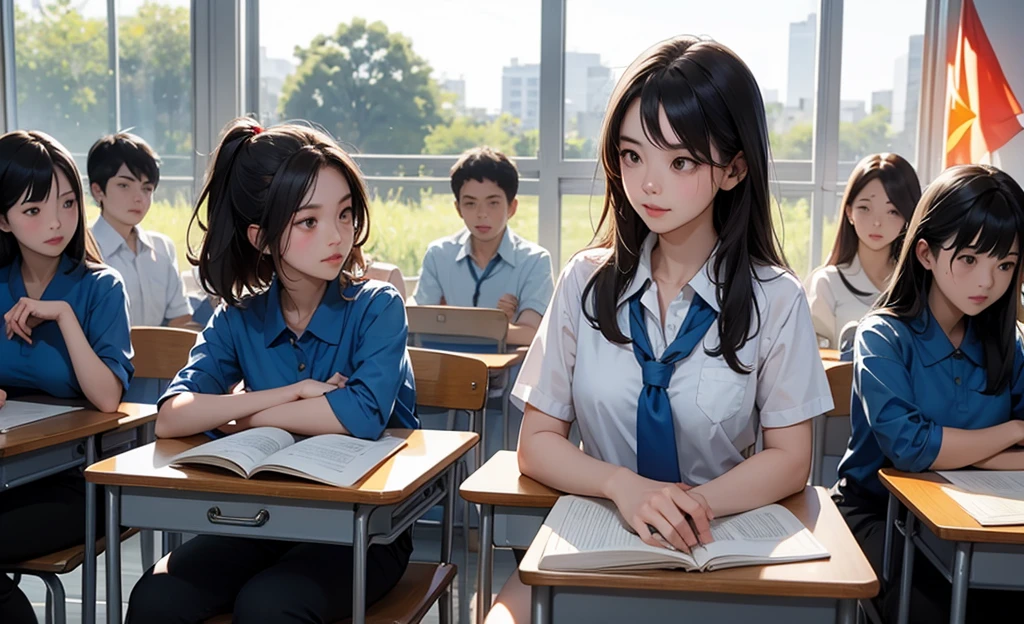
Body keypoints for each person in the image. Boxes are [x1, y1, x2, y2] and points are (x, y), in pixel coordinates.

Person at [486, 36, 833, 622]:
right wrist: (625, 487)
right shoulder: (586, 282)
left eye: (679, 162)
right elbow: (537, 444)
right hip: (598, 529)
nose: (648, 183)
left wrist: (688, 505)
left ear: (733, 169)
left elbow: (790, 458)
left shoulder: (776, 298)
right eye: (631, 156)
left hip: (720, 541)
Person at [124, 119, 418, 624]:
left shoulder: (378, 305)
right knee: (155, 596)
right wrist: (299, 393)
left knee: (269, 605)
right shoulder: (239, 316)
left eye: (345, 214)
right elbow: (173, 415)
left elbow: (362, 415)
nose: (336, 235)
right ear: (260, 237)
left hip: (366, 530)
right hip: (263, 520)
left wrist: (252, 417)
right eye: (309, 221)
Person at [835, 164, 1024, 623]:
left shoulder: (1009, 341)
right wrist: (1011, 430)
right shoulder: (881, 335)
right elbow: (910, 447)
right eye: (969, 259)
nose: (987, 282)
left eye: (1005, 264)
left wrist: (958, 450)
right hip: (879, 515)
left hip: (983, 516)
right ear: (925, 253)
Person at [0, 130, 133, 624]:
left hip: (78, 480)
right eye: (33, 211)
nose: (57, 222)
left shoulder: (100, 286)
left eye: (68, 203)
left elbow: (106, 398)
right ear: (3, 219)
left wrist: (63, 317)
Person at [412, 147, 553, 345]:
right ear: (458, 208)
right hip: (448, 371)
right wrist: (498, 324)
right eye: (470, 203)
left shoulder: (534, 260)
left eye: (493, 203)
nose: (481, 213)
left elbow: (531, 334)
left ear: (512, 207)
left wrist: (448, 323)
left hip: (509, 374)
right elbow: (418, 323)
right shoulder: (439, 254)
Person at [805, 153, 921, 350]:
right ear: (849, 212)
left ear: (908, 217)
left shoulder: (918, 285)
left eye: (892, 211)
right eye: (865, 208)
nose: (877, 222)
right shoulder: (827, 283)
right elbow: (816, 364)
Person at [88, 132, 193, 328]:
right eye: (124, 185)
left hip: (161, 357)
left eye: (147, 188)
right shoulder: (84, 250)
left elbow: (180, 320)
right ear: (97, 190)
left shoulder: (162, 247)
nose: (139, 198)